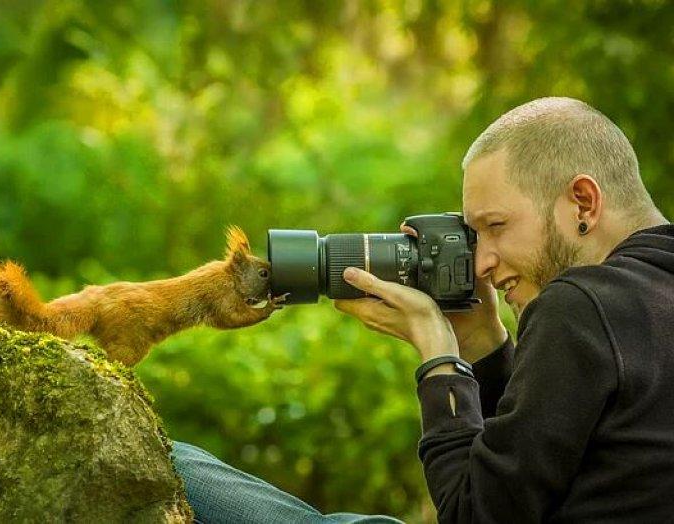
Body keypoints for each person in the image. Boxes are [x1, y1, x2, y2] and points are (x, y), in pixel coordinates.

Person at [171, 97, 674, 523]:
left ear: (583, 203)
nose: (483, 261)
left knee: (178, 467)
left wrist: (438, 357)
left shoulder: (580, 303)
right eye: (474, 236)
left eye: (496, 225)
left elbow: (474, 512)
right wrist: (481, 343)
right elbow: (538, 471)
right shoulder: (645, 296)